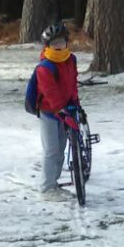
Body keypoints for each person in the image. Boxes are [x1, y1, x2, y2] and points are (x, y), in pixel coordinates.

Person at [33, 22, 82, 196]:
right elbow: (50, 93)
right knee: (51, 149)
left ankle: (54, 184)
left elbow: (72, 83)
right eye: (54, 43)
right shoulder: (44, 67)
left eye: (61, 42)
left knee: (61, 148)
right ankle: (46, 188)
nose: (59, 46)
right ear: (47, 46)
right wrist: (62, 113)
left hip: (65, 110)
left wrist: (75, 103)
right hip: (49, 112)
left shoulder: (71, 59)